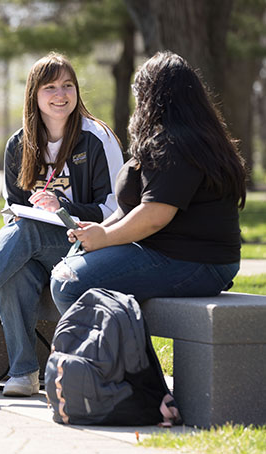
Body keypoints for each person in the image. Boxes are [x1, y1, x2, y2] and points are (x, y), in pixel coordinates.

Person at [0, 52, 124, 397]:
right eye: (51, 87)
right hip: (40, 248)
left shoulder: (96, 136)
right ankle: (24, 372)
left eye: (68, 85)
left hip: (91, 245)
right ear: (34, 95)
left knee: (25, 234)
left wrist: (65, 207)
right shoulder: (19, 144)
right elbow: (12, 209)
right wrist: (27, 215)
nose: (61, 94)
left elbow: (118, 208)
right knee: (15, 266)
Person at [50, 51, 247, 316]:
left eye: (138, 90)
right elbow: (131, 208)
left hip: (197, 262)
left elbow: (155, 215)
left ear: (153, 96)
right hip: (174, 254)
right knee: (69, 267)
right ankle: (123, 352)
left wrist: (106, 238)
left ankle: (100, 356)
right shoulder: (178, 138)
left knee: (67, 282)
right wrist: (98, 229)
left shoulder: (176, 143)